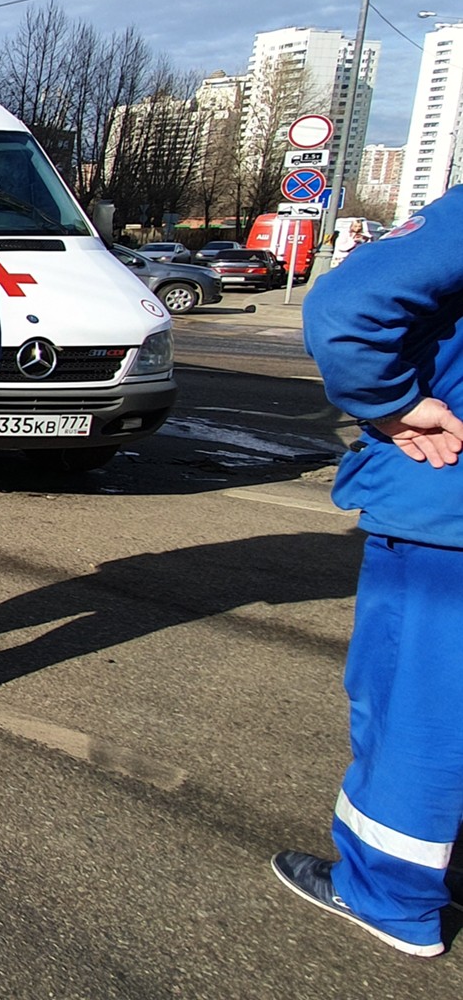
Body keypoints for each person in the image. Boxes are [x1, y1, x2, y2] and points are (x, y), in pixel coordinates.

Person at [271, 191, 463, 959]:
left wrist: (390, 406)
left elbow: (350, 303)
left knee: (418, 708)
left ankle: (388, 894)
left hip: (443, 500)